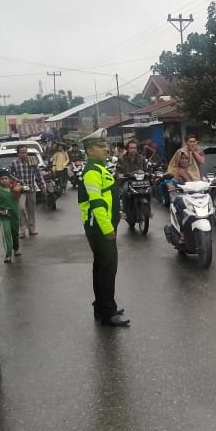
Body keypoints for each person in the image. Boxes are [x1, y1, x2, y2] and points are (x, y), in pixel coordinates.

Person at [78, 133, 129, 327]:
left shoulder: (99, 169)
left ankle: (102, 306)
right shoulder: (92, 171)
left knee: (101, 268)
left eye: (106, 146)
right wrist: (107, 228)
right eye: (101, 146)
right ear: (90, 151)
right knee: (107, 269)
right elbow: (97, 202)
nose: (106, 149)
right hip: (99, 228)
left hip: (101, 227)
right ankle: (108, 313)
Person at [9, 144, 42, 238]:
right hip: (20, 190)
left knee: (31, 210)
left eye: (25, 152)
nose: (24, 154)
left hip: (31, 189)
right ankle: (23, 230)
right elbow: (10, 175)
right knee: (21, 209)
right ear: (18, 153)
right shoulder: (14, 163)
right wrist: (17, 180)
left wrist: (43, 187)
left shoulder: (32, 160)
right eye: (22, 152)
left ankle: (32, 229)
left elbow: (38, 174)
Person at [0, 170, 22, 264]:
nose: (4, 180)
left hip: (15, 215)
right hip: (4, 217)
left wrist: (21, 187)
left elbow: (25, 189)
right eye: (2, 179)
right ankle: (8, 255)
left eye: (6, 178)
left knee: (15, 234)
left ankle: (16, 249)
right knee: (6, 235)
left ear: (10, 179)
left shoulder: (15, 189)